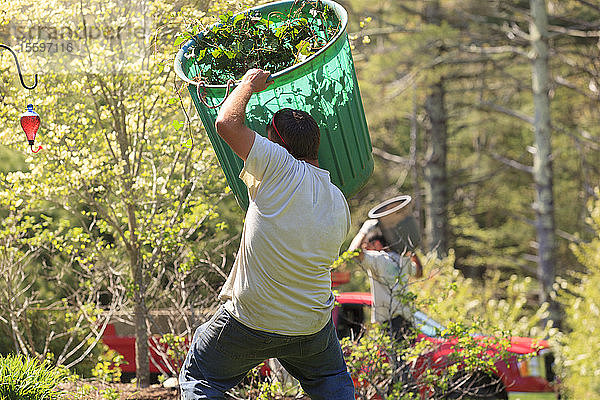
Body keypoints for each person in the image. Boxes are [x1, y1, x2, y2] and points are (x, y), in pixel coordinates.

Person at [179, 69, 355, 400]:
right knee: (332, 379)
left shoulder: (279, 165)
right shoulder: (338, 200)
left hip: (252, 318)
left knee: (200, 376)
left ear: (275, 143)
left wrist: (246, 86)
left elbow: (226, 125)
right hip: (310, 325)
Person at [347, 219, 423, 340]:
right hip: (408, 319)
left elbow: (353, 252)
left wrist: (364, 230)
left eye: (368, 245)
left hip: (390, 322)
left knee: (396, 358)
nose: (365, 248)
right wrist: (411, 250)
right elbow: (419, 273)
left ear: (376, 244)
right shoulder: (401, 258)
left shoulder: (377, 259)